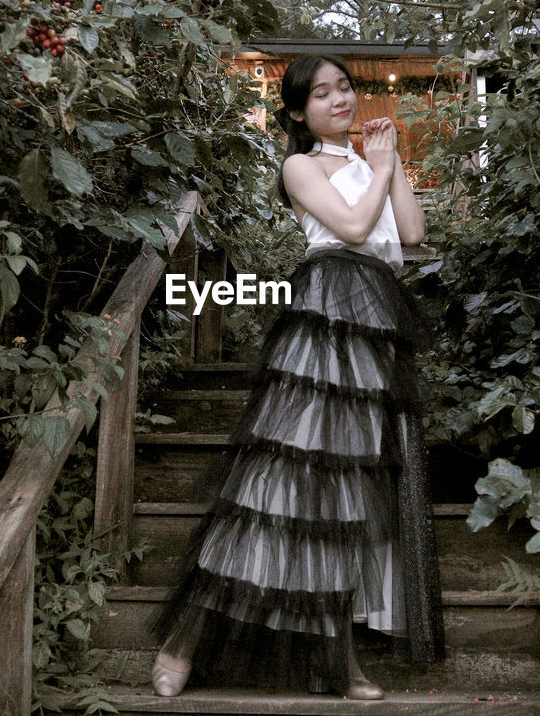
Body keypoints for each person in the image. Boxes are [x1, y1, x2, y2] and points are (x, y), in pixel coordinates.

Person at [148, 53, 444, 700]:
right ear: (297, 110)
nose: (339, 99)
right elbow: (351, 226)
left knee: (348, 492)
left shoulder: (371, 166)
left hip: (374, 326)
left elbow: (413, 232)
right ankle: (186, 639)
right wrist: (383, 167)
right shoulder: (300, 165)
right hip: (326, 314)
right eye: (321, 92)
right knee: (278, 482)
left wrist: (390, 165)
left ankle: (338, 662)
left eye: (344, 87)